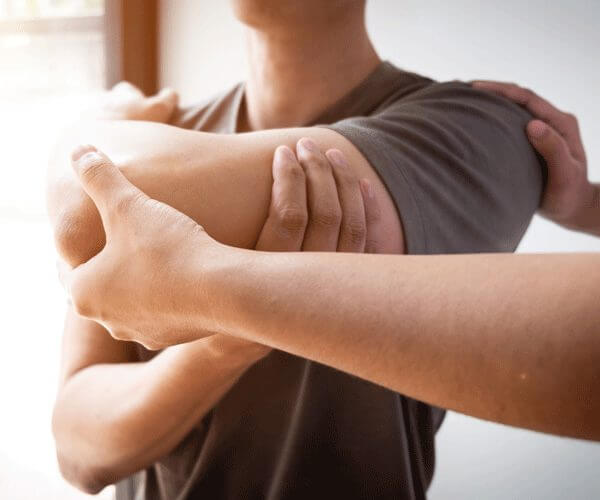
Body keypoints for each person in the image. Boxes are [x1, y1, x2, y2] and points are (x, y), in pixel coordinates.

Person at [48, 1, 548, 498]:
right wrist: (227, 340)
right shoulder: (161, 131)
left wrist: (86, 133)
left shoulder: (474, 132)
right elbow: (79, 450)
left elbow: (81, 209)